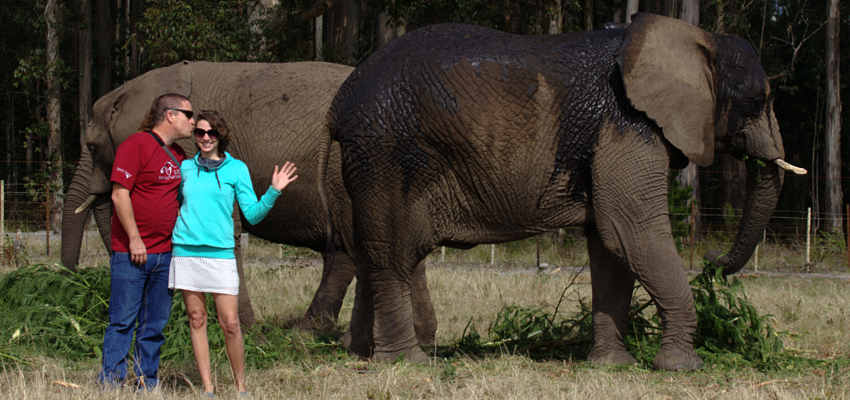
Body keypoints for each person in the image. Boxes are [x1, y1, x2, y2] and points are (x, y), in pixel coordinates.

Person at [169, 110, 298, 397]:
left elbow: (252, 214)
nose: (205, 138)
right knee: (197, 318)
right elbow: (173, 205)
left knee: (230, 323)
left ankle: (240, 388)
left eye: (211, 133)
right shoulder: (185, 168)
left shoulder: (236, 169)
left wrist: (274, 191)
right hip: (186, 252)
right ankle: (208, 389)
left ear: (221, 136)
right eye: (200, 132)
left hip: (221, 255)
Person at [98, 93, 194, 391]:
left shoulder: (178, 155)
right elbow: (119, 193)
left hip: (166, 255)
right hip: (132, 254)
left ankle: (145, 382)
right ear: (170, 115)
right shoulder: (135, 145)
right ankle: (111, 383)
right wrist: (135, 240)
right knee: (123, 321)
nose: (193, 121)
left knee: (155, 325)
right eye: (188, 115)